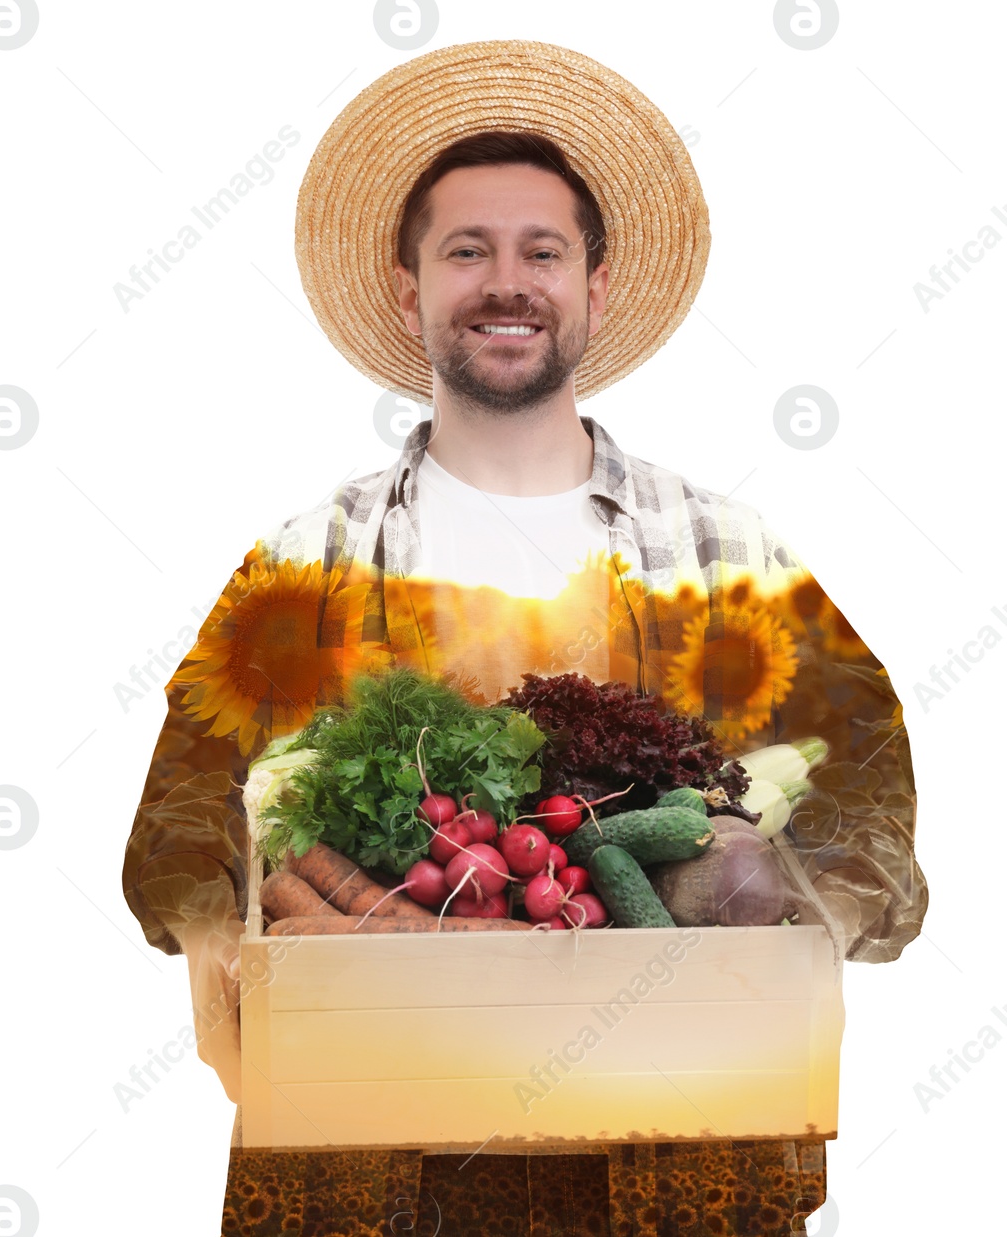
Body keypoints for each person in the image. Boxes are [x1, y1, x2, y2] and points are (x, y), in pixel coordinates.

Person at [122, 40, 924, 1236]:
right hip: (370, 1143)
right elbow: (187, 806)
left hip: (674, 1130)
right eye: (467, 250)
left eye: (540, 251)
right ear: (411, 293)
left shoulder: (723, 551)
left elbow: (864, 779)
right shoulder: (309, 562)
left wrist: (795, 946)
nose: (508, 282)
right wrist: (214, 945)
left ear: (594, 287)